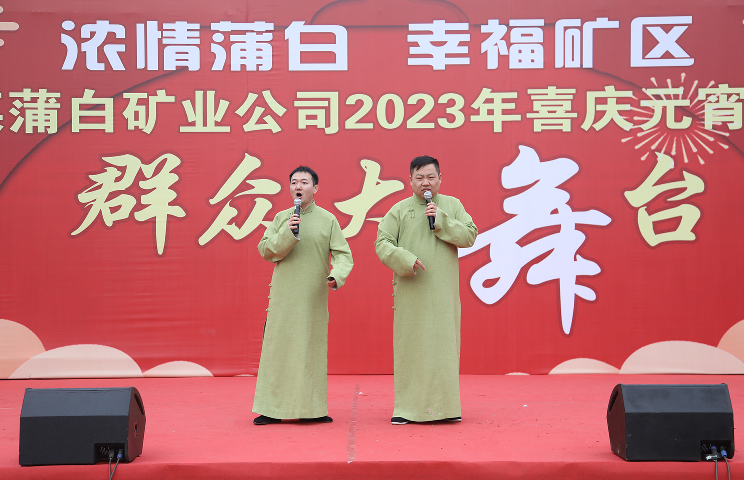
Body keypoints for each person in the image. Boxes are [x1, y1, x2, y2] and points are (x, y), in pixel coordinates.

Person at [375, 155, 477, 425]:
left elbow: (470, 235)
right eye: (419, 177)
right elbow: (382, 243)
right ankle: (406, 409)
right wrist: (405, 259)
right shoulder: (399, 210)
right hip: (412, 291)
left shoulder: (452, 205)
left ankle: (447, 409)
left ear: (440, 179)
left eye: (431, 177)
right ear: (410, 180)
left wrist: (441, 220)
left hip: (443, 293)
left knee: (443, 348)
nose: (425, 183)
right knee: (411, 348)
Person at [253, 166, 353, 425]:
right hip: (283, 297)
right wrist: (287, 232)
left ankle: (311, 409)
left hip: (312, 297)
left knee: (310, 349)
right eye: (294, 182)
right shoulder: (281, 218)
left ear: (315, 188)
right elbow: (265, 250)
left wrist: (337, 275)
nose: (298, 186)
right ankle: (272, 409)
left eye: (304, 182)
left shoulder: (328, 219)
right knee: (278, 350)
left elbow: (343, 254)